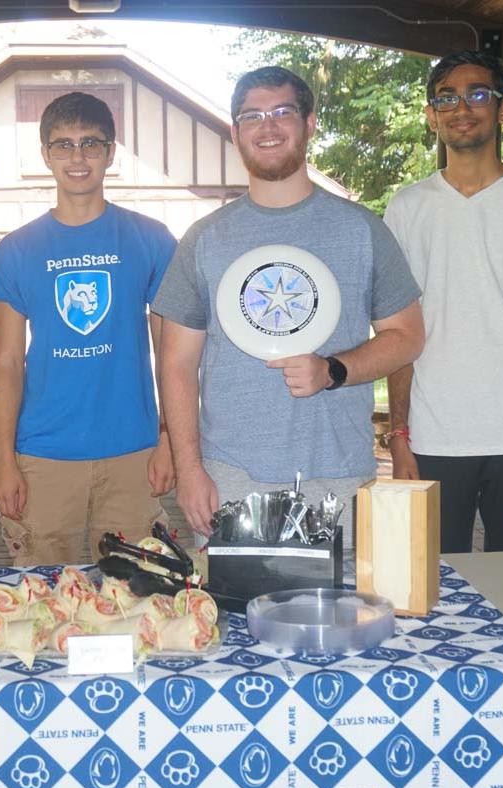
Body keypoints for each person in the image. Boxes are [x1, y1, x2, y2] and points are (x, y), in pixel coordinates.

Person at [153, 66, 424, 546]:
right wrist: (189, 467)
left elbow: (407, 336)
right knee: (228, 617)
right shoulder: (205, 239)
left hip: (337, 475)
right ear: (235, 132)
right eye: (252, 116)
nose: (268, 126)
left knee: (335, 617)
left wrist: (333, 370)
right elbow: (176, 362)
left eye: (282, 112)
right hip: (229, 476)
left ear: (310, 122)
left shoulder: (362, 230)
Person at [383, 50, 503, 554]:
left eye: (477, 94)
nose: (461, 107)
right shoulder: (407, 208)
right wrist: (400, 432)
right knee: (430, 585)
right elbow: (396, 332)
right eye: (446, 97)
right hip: (433, 435)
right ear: (431, 115)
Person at [0, 92, 176, 565]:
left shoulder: (151, 239)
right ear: (45, 153)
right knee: (45, 602)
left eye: (91, 144)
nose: (77, 157)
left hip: (133, 451)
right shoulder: (15, 250)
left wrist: (170, 441)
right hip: (43, 455)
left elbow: (171, 355)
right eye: (63, 144)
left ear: (111, 153)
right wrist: (4, 459)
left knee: (134, 595)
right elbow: (8, 363)